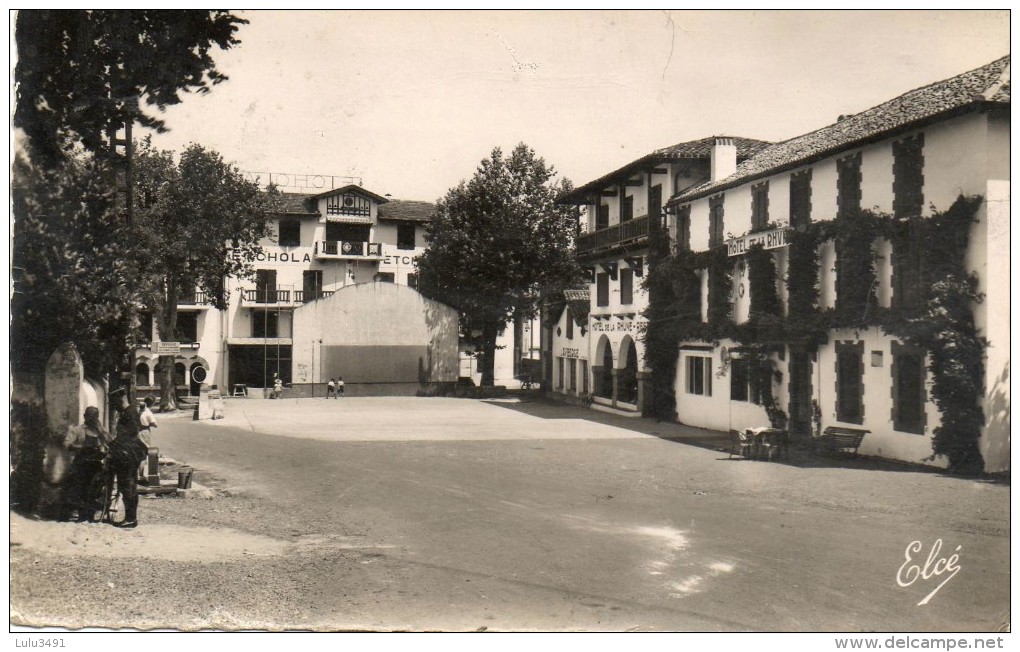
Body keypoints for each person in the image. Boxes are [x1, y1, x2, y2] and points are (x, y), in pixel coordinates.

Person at [62, 406, 113, 521]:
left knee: (95, 489)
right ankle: (80, 513)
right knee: (77, 487)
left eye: (94, 417)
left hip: (96, 465)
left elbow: (110, 442)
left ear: (97, 417)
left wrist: (100, 432)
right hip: (81, 464)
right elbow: (66, 444)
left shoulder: (100, 431)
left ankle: (90, 513)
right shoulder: (77, 430)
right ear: (85, 416)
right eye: (89, 417)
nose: (91, 419)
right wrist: (79, 447)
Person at [109, 391, 146, 528]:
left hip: (128, 455)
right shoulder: (129, 412)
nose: (114, 406)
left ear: (121, 399)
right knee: (128, 487)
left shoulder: (129, 414)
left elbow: (127, 436)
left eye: (115, 402)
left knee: (128, 487)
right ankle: (130, 518)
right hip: (128, 454)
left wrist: (111, 445)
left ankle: (131, 519)